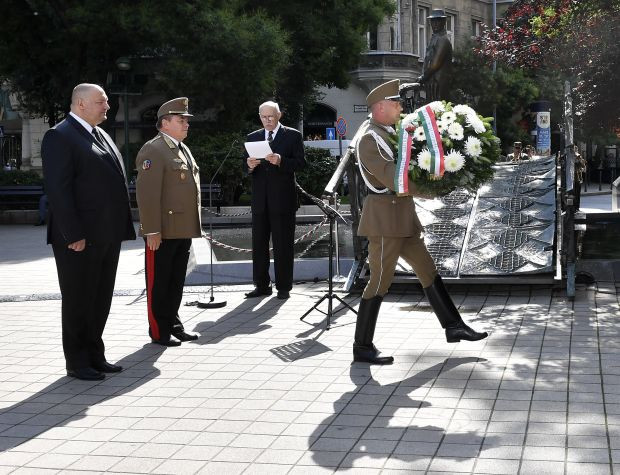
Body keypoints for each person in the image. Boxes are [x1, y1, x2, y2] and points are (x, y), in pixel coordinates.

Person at [353, 79, 488, 365]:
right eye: (396, 102)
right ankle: (362, 346)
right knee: (379, 281)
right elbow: (394, 178)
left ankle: (453, 326)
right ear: (379, 107)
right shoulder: (369, 139)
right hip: (386, 220)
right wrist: (432, 190)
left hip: (401, 216)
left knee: (427, 269)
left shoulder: (387, 132)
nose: (401, 107)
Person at [41, 83, 136, 380]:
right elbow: (59, 191)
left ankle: (95, 354)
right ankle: (77, 361)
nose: (107, 107)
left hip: (106, 235)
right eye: (101, 102)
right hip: (79, 238)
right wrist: (73, 234)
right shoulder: (60, 135)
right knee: (79, 299)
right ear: (81, 104)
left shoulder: (100, 134)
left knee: (100, 298)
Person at [135, 97, 201, 347]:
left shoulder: (181, 148)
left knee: (175, 282)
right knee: (159, 284)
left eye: (186, 120)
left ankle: (173, 325)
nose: (186, 124)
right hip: (161, 231)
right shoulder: (154, 150)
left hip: (181, 229)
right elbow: (147, 195)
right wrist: (151, 230)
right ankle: (158, 331)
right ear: (165, 123)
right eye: (181, 120)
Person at [243, 101, 306, 300]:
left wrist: (281, 160)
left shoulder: (293, 135)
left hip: (283, 200)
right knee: (259, 245)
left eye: (271, 116)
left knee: (283, 245)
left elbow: (301, 163)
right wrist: (249, 166)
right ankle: (261, 285)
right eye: (263, 117)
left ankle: (284, 287)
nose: (267, 120)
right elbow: (245, 169)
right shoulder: (253, 137)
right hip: (260, 201)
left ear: (279, 115)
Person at [418, 9, 453, 102]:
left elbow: (435, 64)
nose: (435, 24)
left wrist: (423, 77)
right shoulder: (435, 38)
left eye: (438, 20)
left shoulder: (443, 40)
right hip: (432, 83)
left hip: (438, 84)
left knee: (438, 110)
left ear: (444, 22)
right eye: (433, 21)